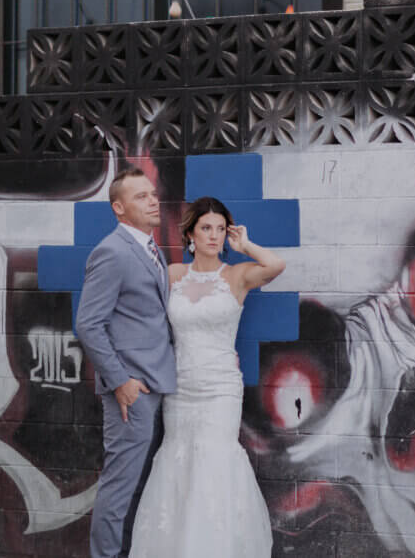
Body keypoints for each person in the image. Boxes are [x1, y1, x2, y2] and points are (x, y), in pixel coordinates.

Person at [128, 196, 285, 558]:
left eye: (219, 229)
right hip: (179, 388)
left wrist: (244, 245)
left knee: (214, 463)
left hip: (220, 391)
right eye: (205, 228)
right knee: (178, 462)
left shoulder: (237, 275)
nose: (213, 236)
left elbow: (276, 264)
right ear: (190, 234)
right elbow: (142, 320)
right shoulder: (172, 275)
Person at [77, 166, 177, 558]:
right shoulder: (112, 251)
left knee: (136, 485)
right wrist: (121, 381)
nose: (153, 200)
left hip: (157, 384)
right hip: (131, 392)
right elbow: (88, 324)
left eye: (152, 193)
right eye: (140, 196)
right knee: (119, 487)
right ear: (119, 207)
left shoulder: (153, 250)